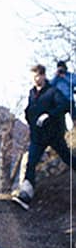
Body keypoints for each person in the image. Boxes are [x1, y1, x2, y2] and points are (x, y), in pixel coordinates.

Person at [12, 64, 73, 210]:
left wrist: (49, 115)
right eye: (32, 77)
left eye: (37, 76)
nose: (34, 79)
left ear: (43, 76)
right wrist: (29, 116)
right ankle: (25, 195)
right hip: (38, 136)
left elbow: (65, 105)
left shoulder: (53, 91)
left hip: (54, 135)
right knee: (31, 162)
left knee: (66, 157)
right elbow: (30, 109)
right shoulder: (32, 93)